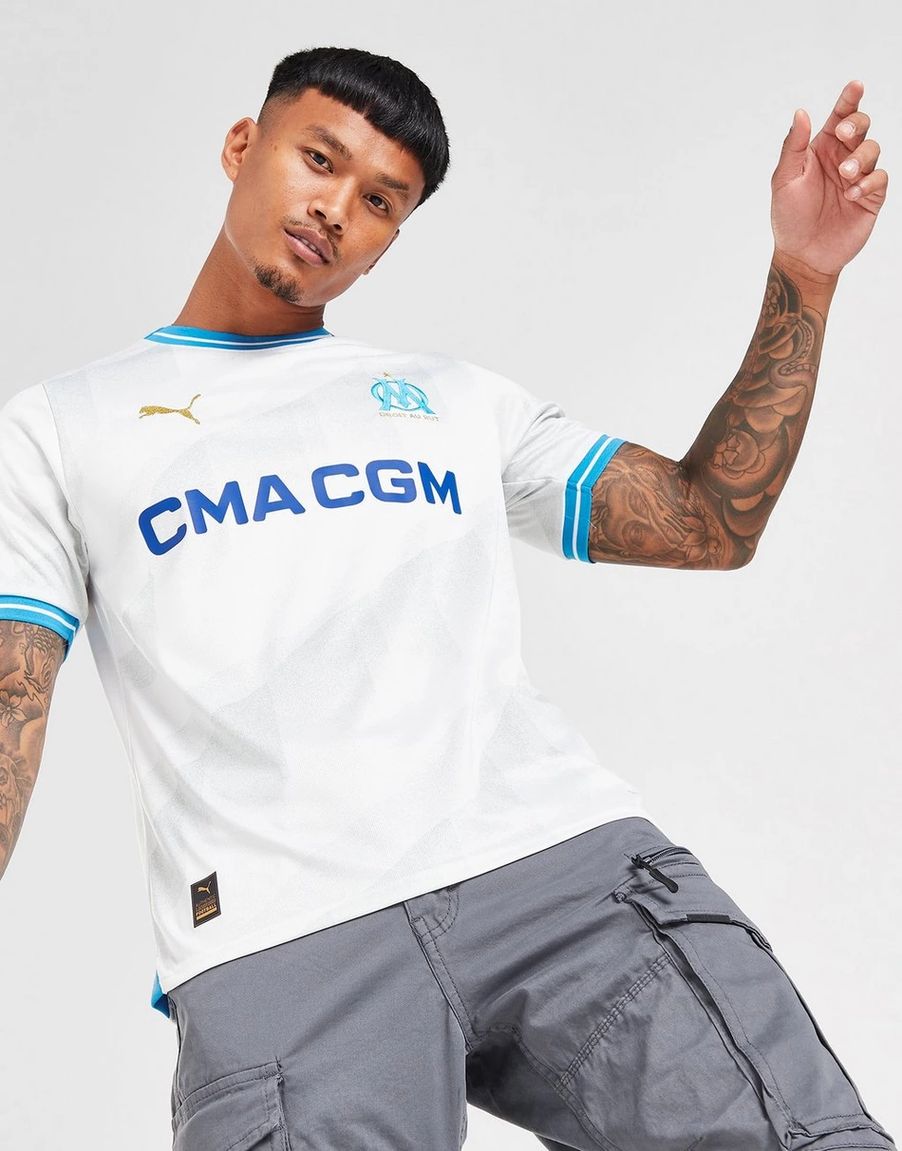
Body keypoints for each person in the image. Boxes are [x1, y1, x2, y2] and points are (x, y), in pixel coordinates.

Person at [0, 45, 893, 1150]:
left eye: (381, 202)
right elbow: (12, 702)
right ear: (242, 145)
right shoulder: (59, 428)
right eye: (317, 159)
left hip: (562, 872)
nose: (336, 209)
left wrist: (805, 271)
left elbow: (708, 520)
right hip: (285, 939)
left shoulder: (453, 401)